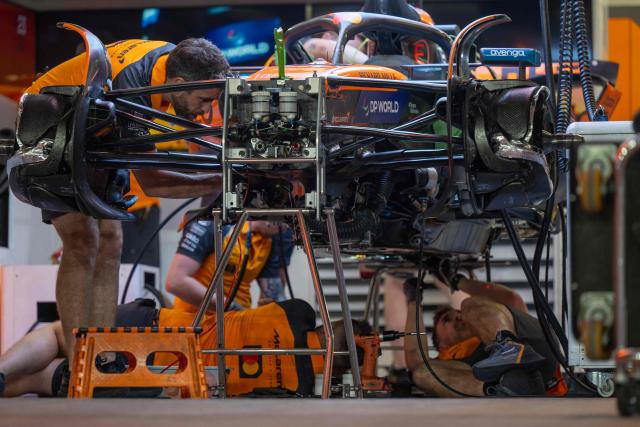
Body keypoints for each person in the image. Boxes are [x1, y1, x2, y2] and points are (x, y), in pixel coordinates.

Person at [24, 38, 230, 362]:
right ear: (178, 84)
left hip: (95, 124)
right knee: (82, 239)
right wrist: (226, 178)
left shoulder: (177, 61)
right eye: (204, 100)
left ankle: (104, 358)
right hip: (53, 121)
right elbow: (154, 182)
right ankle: (81, 365)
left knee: (110, 239)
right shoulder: (135, 87)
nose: (206, 112)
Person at [0, 298, 370, 397]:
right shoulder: (306, 388)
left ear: (332, 325)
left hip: (160, 326)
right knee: (42, 380)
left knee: (59, 334)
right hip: (160, 381)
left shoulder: (299, 312)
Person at [403, 275, 568, 397]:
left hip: (536, 354)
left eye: (457, 314)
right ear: (442, 345)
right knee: (421, 373)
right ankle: (505, 388)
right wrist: (413, 302)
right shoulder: (448, 363)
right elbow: (415, 358)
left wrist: (458, 281)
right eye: (447, 320)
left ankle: (508, 347)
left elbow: (511, 298)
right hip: (519, 388)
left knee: (468, 303)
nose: (457, 317)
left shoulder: (487, 318)